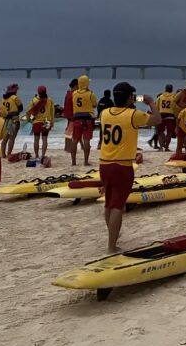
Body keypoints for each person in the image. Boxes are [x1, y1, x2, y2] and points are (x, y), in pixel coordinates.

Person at [99, 82, 162, 252]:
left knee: (109, 203)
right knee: (118, 205)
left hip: (104, 163)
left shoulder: (104, 113)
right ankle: (111, 246)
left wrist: (131, 99)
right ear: (129, 98)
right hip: (122, 166)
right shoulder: (133, 115)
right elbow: (157, 120)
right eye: (132, 96)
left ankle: (112, 235)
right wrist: (150, 102)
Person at [70, 75, 98, 166]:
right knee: (86, 140)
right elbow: (94, 105)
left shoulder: (74, 93)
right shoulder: (90, 94)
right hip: (87, 119)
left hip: (76, 118)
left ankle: (73, 162)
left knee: (74, 140)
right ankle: (85, 161)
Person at [25, 86, 55, 161]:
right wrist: (52, 122)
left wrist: (28, 120)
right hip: (46, 122)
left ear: (38, 92)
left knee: (36, 139)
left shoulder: (34, 100)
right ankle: (43, 155)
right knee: (45, 139)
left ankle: (37, 155)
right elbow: (52, 112)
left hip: (37, 122)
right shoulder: (50, 100)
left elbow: (28, 111)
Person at [0, 84, 23, 159]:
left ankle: (3, 154)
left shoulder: (3, 99)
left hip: (5, 120)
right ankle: (9, 154)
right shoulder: (15, 98)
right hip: (14, 120)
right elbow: (21, 108)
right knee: (12, 138)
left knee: (5, 138)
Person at [154, 84, 178, 150]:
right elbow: (175, 107)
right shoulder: (174, 97)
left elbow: (156, 107)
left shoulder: (160, 97)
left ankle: (161, 147)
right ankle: (167, 147)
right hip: (170, 116)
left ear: (165, 89)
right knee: (169, 133)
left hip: (162, 115)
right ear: (172, 90)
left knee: (160, 132)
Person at [62, 78, 77, 157]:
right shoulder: (73, 94)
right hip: (72, 115)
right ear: (76, 85)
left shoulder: (68, 93)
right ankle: (69, 148)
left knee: (68, 131)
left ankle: (67, 147)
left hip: (67, 114)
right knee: (71, 132)